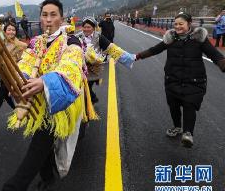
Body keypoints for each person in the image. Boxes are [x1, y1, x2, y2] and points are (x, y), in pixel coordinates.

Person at [0, 0, 88, 191]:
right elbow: (26, 63)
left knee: (38, 147)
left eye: (53, 15)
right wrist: (19, 80)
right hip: (39, 101)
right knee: (42, 148)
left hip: (61, 101)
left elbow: (71, 67)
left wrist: (45, 82)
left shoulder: (72, 41)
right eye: (44, 15)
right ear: (40, 18)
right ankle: (47, 178)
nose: (48, 19)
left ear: (61, 18)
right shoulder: (36, 42)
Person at [136, 12, 225, 147]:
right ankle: (177, 126)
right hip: (173, 78)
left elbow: (214, 54)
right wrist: (137, 56)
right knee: (174, 105)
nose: (177, 26)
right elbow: (155, 50)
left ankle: (188, 133)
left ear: (189, 24)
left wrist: (222, 64)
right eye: (175, 24)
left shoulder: (199, 38)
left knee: (190, 105)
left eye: (181, 24)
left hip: (194, 79)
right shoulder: (170, 38)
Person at [77, 17, 135, 105]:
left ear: (93, 28)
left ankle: (90, 104)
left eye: (88, 27)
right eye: (84, 27)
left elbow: (112, 48)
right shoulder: (78, 37)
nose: (86, 29)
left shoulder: (99, 37)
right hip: (81, 68)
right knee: (83, 87)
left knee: (86, 87)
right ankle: (90, 100)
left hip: (94, 69)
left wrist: (129, 57)